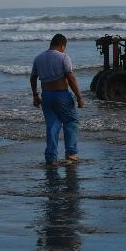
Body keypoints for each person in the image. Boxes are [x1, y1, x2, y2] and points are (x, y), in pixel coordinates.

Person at [30, 34, 85, 165]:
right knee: (71, 120)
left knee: (52, 125)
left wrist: (35, 95)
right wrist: (79, 97)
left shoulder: (39, 58)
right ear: (62, 46)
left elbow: (33, 78)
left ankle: (51, 158)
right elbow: (71, 78)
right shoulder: (63, 57)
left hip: (46, 95)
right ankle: (71, 154)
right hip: (61, 94)